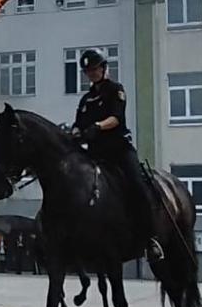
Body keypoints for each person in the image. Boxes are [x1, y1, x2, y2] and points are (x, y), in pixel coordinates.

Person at [70, 48, 164, 265]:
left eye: (94, 69)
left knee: (138, 185)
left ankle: (151, 238)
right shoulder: (86, 99)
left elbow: (116, 118)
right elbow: (78, 124)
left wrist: (98, 126)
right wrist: (74, 132)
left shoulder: (116, 90)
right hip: (94, 154)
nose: (91, 74)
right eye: (88, 71)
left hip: (119, 150)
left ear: (103, 68)